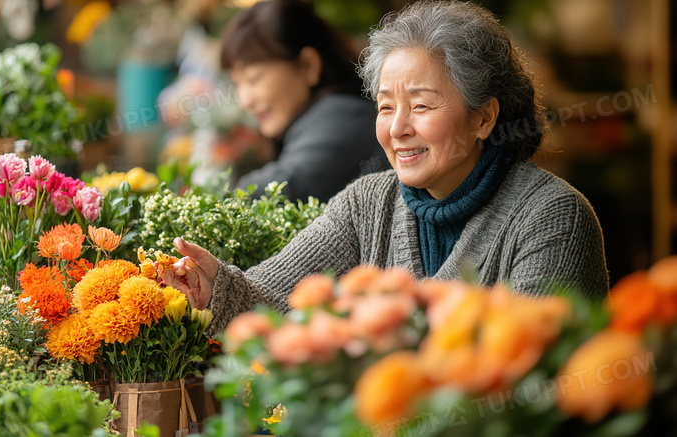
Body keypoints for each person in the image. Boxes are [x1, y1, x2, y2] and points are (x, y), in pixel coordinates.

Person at [162, 0, 610, 335]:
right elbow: (276, 294)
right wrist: (213, 283)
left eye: (420, 105)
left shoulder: (553, 217)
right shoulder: (367, 202)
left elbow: (531, 370)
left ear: (483, 117)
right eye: (385, 106)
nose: (397, 128)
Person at [220, 0, 388, 203]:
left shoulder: (344, 115)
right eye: (237, 83)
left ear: (308, 65)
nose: (244, 101)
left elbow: (279, 186)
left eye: (254, 79)